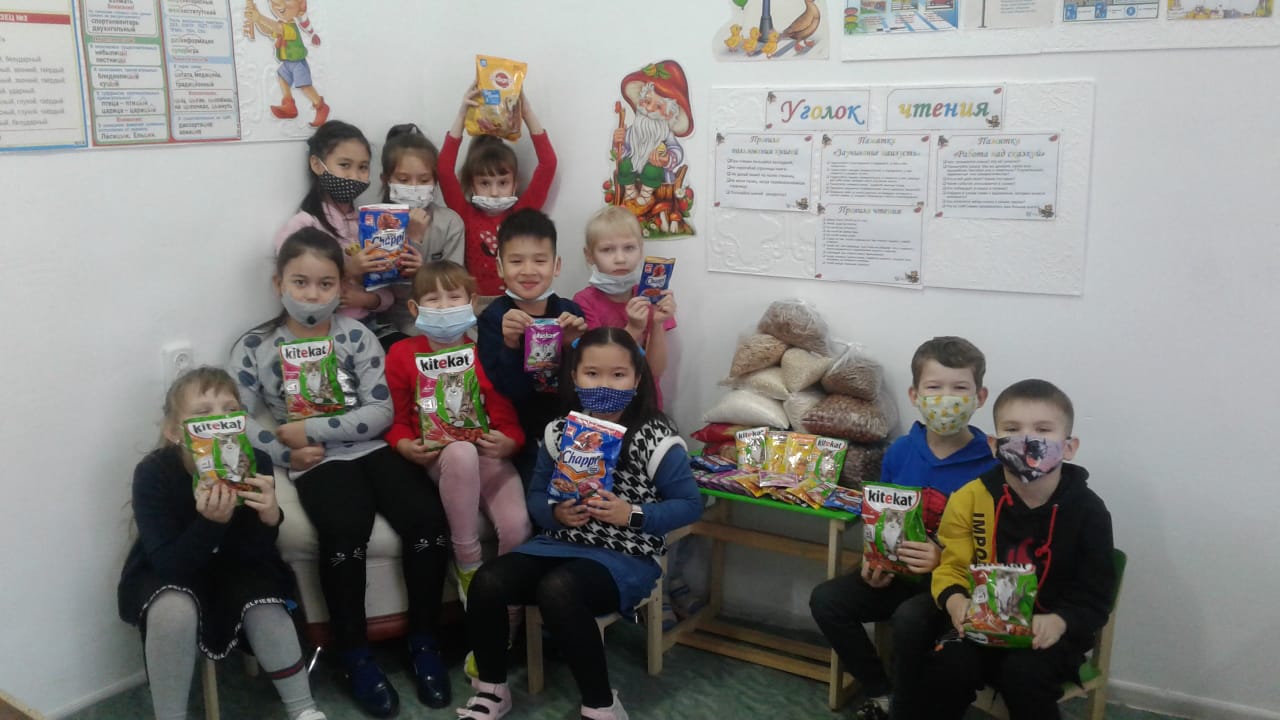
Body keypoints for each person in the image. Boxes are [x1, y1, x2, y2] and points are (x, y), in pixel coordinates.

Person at [230, 228, 452, 717]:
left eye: (325, 284)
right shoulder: (255, 346)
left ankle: (424, 641)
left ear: (341, 287)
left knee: (427, 521)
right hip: (316, 462)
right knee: (345, 530)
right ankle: (355, 655)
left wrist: (309, 428)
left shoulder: (356, 335)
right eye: (301, 282)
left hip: (371, 448)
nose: (313, 295)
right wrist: (286, 453)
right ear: (278, 283)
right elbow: (236, 419)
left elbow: (380, 411)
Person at [456, 327, 703, 720]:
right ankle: (492, 689)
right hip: (559, 543)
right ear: (573, 376)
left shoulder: (656, 437)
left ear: (637, 379)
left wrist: (631, 513)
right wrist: (555, 514)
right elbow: (537, 495)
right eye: (592, 373)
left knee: (559, 589)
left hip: (626, 554)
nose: (605, 384)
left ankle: (601, 704)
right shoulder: (560, 431)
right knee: (488, 580)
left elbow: (690, 504)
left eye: (618, 374)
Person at [118, 367, 326, 720]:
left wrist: (271, 517)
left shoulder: (256, 462)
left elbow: (255, 555)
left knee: (263, 602)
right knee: (172, 610)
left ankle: (304, 709)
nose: (219, 421)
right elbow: (168, 563)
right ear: (174, 431)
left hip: (238, 563)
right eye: (203, 413)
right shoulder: (153, 472)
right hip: (171, 565)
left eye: (231, 410)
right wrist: (210, 523)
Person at [809, 336, 999, 720]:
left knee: (910, 620)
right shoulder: (900, 451)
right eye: (934, 387)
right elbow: (882, 517)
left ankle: (907, 707)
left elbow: (994, 547)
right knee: (827, 600)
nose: (946, 399)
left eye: (960, 388)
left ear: (980, 397)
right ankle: (881, 692)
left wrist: (943, 558)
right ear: (915, 395)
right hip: (898, 574)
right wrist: (874, 558)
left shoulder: (992, 464)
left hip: (954, 584)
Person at [927, 379, 1116, 720]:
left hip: (1051, 632)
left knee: (1023, 674)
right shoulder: (970, 497)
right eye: (1012, 430)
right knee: (947, 660)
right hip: (983, 623)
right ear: (994, 444)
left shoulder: (1089, 511)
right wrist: (955, 600)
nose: (1028, 441)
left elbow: (1096, 594)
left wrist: (1060, 621)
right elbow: (951, 567)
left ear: (1069, 447)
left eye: (1043, 430)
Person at [384, 260, 531, 600]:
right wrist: (404, 445)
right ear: (414, 308)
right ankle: (467, 564)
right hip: (443, 457)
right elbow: (395, 419)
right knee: (461, 452)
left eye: (453, 297)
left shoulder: (484, 353)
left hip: (488, 457)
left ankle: (504, 608)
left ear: (472, 302)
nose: (444, 307)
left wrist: (510, 442)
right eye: (433, 299)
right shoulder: (401, 354)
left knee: (517, 527)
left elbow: (506, 415)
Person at [476, 208, 586, 484]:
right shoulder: (494, 318)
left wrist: (572, 347)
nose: (528, 270)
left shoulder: (570, 312)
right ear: (500, 267)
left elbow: (584, 386)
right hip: (519, 432)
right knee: (537, 492)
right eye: (516, 261)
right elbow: (503, 391)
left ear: (556, 265)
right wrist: (511, 344)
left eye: (540, 260)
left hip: (568, 428)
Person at [275, 120, 397, 330]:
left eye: (363, 167)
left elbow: (387, 294)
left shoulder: (369, 223)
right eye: (344, 165)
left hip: (368, 327)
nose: (354, 176)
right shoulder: (304, 226)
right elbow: (296, 291)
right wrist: (349, 270)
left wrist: (368, 300)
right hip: (321, 330)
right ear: (316, 164)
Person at [437, 86, 557, 299]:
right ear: (472, 185)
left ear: (514, 184)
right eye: (485, 183)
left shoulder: (521, 214)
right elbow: (444, 170)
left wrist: (527, 113)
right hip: (478, 303)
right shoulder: (463, 213)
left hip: (517, 300)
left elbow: (548, 165)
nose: (494, 192)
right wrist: (462, 115)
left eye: (502, 183)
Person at [374, 123, 465, 347]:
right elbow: (385, 288)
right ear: (386, 180)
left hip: (442, 319)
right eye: (404, 180)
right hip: (393, 321)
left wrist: (422, 269)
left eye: (424, 180)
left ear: (435, 181)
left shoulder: (450, 222)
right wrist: (412, 240)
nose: (414, 187)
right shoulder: (375, 222)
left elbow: (454, 284)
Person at [572, 206, 677, 387]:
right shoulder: (583, 302)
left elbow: (655, 370)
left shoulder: (651, 298)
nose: (620, 259)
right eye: (607, 250)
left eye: (629, 248)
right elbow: (601, 365)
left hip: (646, 397)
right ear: (589, 255)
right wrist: (634, 329)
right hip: (605, 396)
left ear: (640, 250)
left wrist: (658, 323)